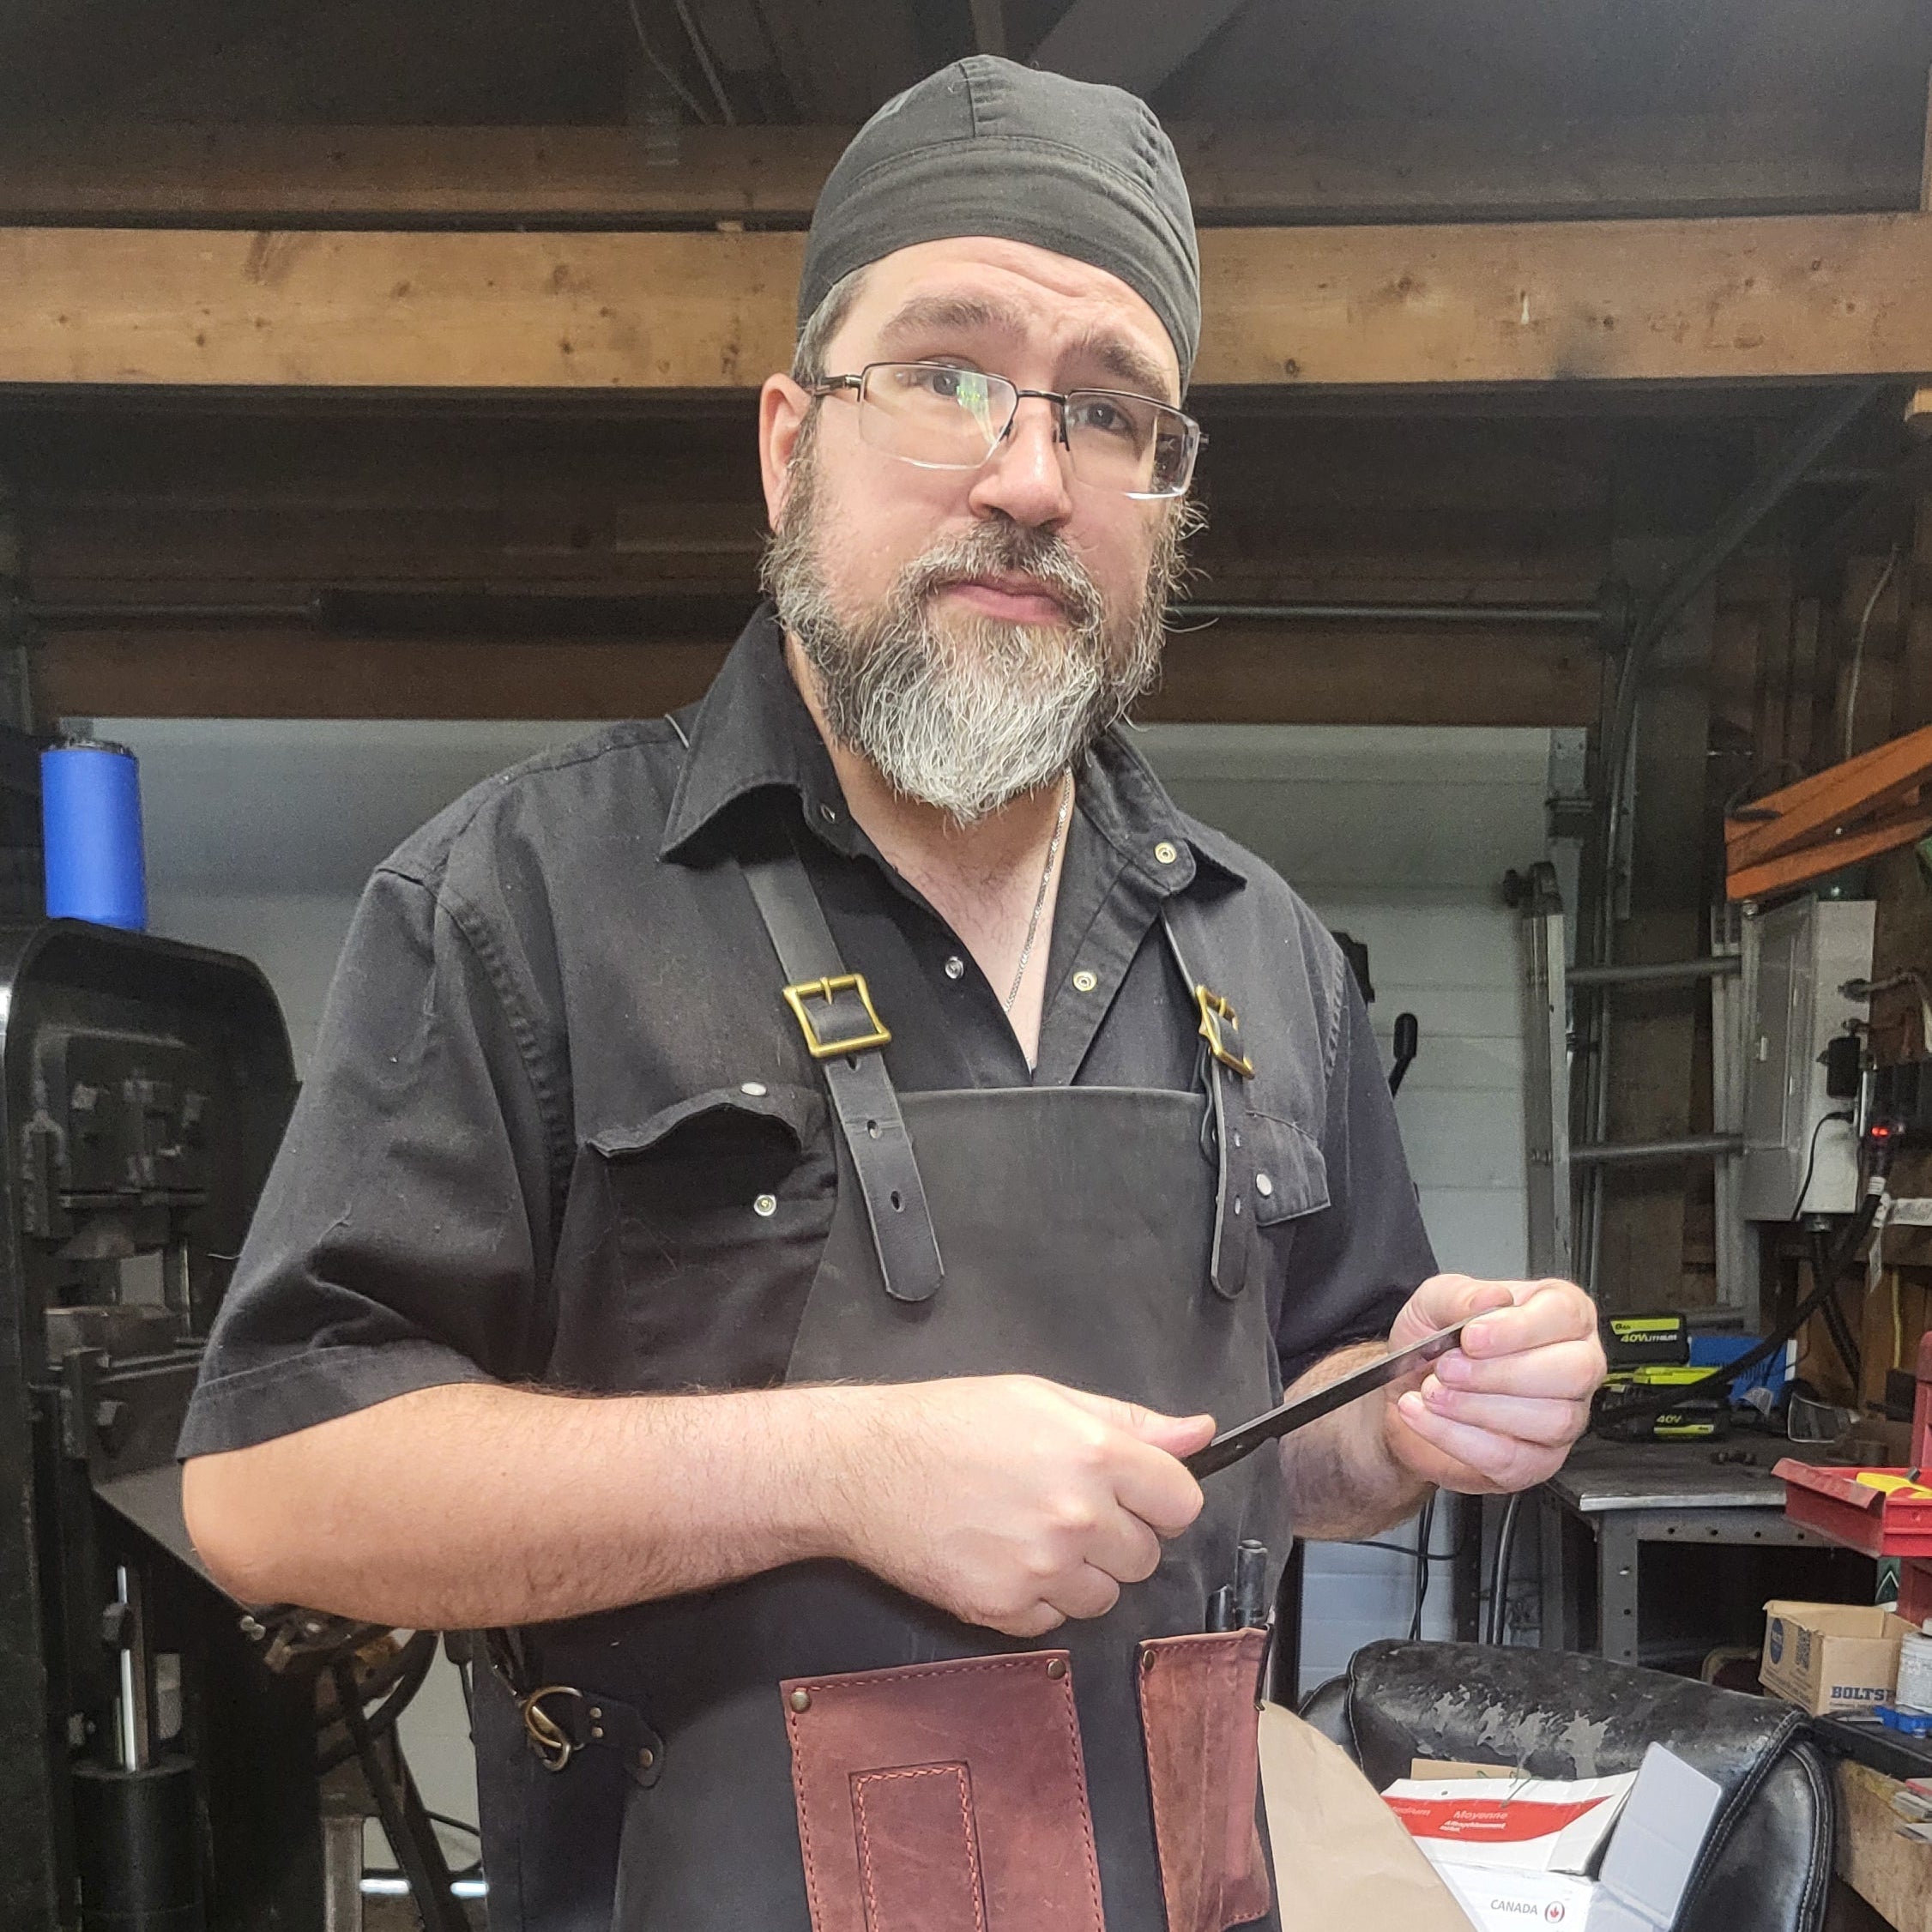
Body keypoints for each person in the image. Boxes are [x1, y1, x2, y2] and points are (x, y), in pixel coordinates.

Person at [180, 54, 1603, 1932]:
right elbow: (273, 1486)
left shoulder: (1260, 947)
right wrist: (838, 1467)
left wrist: (1418, 1413)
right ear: (790, 439)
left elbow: (1319, 1432)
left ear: (1161, 497)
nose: (1026, 472)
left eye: (1108, 410)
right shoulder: (522, 902)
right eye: (946, 374)